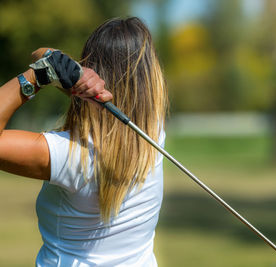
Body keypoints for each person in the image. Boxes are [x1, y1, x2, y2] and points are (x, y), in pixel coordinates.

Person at [0, 17, 168, 266]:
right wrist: (66, 72)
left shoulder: (69, 156)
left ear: (93, 69)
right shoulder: (153, 130)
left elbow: (38, 57)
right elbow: (40, 53)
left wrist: (38, 76)